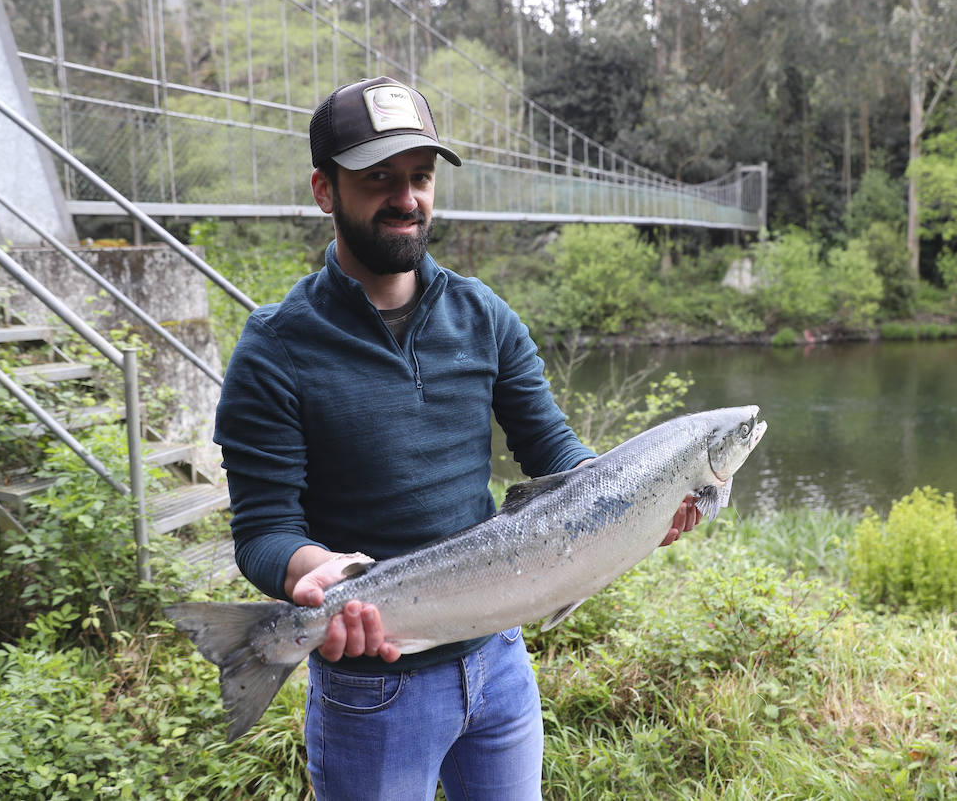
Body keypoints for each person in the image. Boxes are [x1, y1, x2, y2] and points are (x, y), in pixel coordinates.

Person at [213, 76, 702, 800]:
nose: (406, 198)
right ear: (325, 191)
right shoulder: (274, 348)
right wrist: (307, 571)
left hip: (499, 663)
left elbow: (556, 454)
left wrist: (626, 509)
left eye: (419, 177)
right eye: (379, 179)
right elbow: (262, 531)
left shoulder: (485, 315)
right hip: (371, 690)